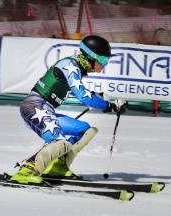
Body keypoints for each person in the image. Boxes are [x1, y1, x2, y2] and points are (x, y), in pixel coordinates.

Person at [10, 35, 122, 184]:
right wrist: (107, 106)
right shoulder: (70, 65)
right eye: (102, 61)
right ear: (90, 56)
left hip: (46, 109)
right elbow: (84, 96)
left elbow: (84, 92)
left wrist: (107, 102)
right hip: (34, 107)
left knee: (85, 130)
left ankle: (58, 167)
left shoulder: (75, 68)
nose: (103, 66)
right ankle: (27, 170)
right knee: (60, 142)